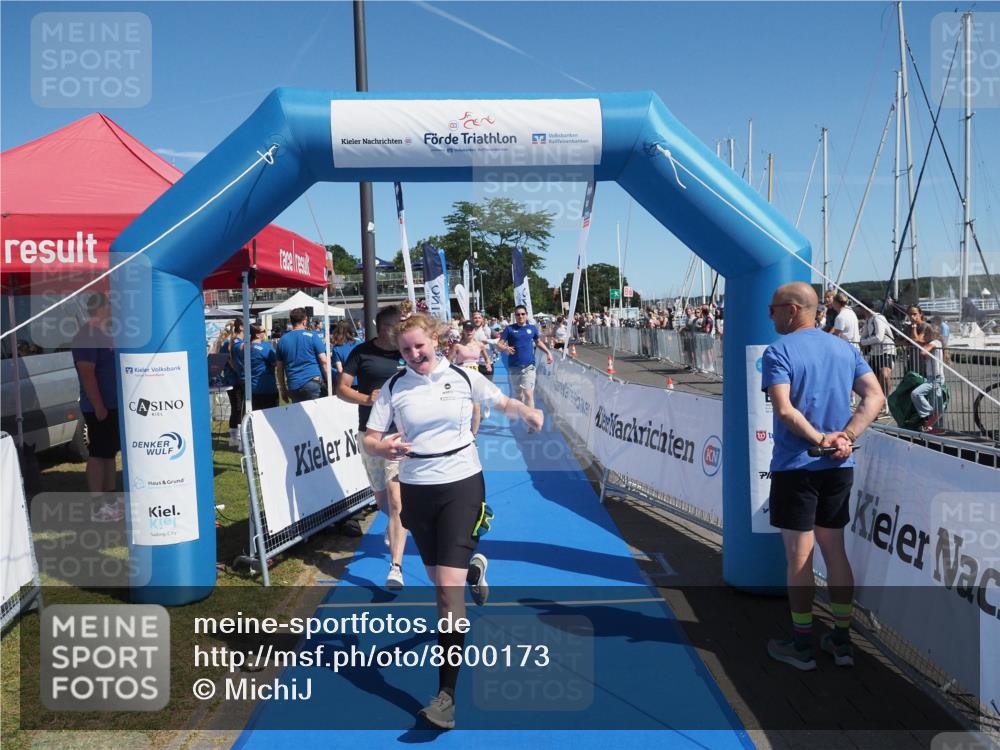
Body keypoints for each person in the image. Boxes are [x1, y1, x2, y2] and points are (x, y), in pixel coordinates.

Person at [363, 313, 544, 729]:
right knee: (443, 579)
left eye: (419, 347)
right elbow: (370, 438)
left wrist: (527, 413)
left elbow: (502, 402)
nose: (413, 355)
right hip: (417, 490)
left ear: (436, 341)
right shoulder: (394, 387)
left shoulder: (463, 377)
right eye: (406, 350)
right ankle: (472, 568)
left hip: (462, 484)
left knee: (445, 595)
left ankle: (445, 696)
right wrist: (382, 448)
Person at [761, 282, 884, 671]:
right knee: (835, 552)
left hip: (800, 466)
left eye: (774, 308)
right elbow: (875, 396)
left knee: (799, 557)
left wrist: (822, 440)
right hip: (837, 467)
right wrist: (844, 437)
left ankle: (801, 645)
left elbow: (784, 410)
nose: (771, 314)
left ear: (793, 309)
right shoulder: (845, 349)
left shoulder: (778, 351)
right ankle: (842, 641)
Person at [338, 306, 407, 589]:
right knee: (382, 503)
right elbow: (341, 388)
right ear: (383, 327)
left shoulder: (408, 352)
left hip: (399, 434)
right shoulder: (361, 353)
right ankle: (395, 526)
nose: (401, 329)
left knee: (396, 500)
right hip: (370, 434)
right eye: (396, 325)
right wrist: (367, 398)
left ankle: (396, 567)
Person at [71, 293, 123, 522]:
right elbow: (87, 373)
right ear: (101, 308)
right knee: (98, 454)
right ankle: (97, 505)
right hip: (98, 407)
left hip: (113, 404)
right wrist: (99, 406)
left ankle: (110, 501)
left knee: (110, 453)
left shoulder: (107, 333)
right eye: (111, 304)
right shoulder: (87, 335)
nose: (114, 308)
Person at [496, 305, 553, 411]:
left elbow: (538, 342)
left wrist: (548, 352)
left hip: (529, 367)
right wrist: (505, 349)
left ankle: (531, 423)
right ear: (515, 316)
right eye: (518, 314)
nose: (520, 316)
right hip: (514, 367)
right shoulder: (509, 329)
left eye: (523, 314)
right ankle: (522, 413)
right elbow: (499, 345)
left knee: (528, 394)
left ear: (526, 315)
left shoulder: (532, 328)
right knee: (518, 396)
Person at [276, 308, 329, 403]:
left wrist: (283, 390)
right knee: (317, 415)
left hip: (294, 385)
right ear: (304, 321)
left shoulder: (282, 340)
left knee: (299, 416)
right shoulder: (312, 336)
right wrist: (329, 381)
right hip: (312, 382)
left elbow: (279, 369)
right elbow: (324, 361)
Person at [858, 302, 895, 412]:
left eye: (861, 309)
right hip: (875, 353)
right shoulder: (868, 321)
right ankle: (878, 402)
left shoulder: (878, 318)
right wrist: (862, 340)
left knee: (884, 374)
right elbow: (863, 336)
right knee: (871, 379)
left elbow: (879, 337)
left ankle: (886, 400)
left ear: (865, 309)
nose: (860, 312)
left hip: (886, 350)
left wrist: (863, 342)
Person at [910, 323, 947, 433]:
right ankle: (936, 426)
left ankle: (931, 416)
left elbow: (923, 352)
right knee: (936, 402)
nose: (924, 334)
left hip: (936, 378)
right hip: (933, 377)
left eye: (926, 332)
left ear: (932, 334)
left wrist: (922, 342)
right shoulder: (934, 343)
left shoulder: (934, 343)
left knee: (916, 394)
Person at [234, 324, 279, 411]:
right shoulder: (265, 347)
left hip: (250, 389)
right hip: (266, 388)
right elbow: (275, 362)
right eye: (264, 331)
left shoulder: (244, 348)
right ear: (257, 334)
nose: (265, 333)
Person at [219, 319, 244, 447]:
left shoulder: (231, 342)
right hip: (234, 380)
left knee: (238, 409)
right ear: (240, 327)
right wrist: (240, 373)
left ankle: (235, 439)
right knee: (238, 408)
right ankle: (237, 438)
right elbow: (228, 361)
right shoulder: (229, 343)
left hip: (236, 379)